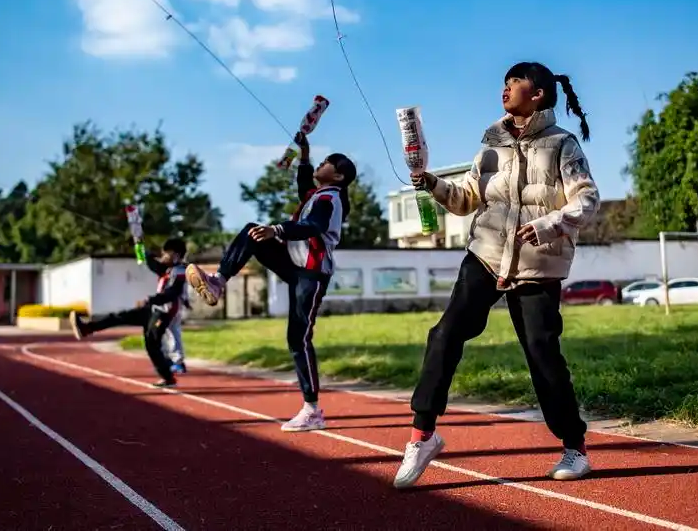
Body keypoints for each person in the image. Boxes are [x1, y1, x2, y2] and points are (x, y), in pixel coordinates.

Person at [393, 61, 600, 489]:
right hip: (485, 256)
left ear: (537, 94)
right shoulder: (490, 141)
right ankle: (422, 436)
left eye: (514, 82)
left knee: (542, 354)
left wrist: (549, 225)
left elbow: (587, 200)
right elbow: (466, 199)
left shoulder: (562, 143)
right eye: (504, 82)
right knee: (444, 335)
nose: (505, 89)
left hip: (537, 264)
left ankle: (575, 448)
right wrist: (431, 183)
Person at [186, 132, 355, 432]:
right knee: (252, 231)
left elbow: (312, 226)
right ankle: (218, 281)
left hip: (311, 274)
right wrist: (304, 157)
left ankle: (312, 410)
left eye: (327, 162)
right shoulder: (317, 195)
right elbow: (303, 187)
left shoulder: (330, 198)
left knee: (298, 339)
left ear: (339, 176)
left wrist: (276, 230)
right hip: (294, 265)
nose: (322, 163)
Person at [69, 237, 189, 388]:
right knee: (120, 317)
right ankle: (87, 328)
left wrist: (152, 299)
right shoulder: (167, 269)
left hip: (164, 313)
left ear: (176, 255)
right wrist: (140, 246)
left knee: (152, 344)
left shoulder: (181, 271)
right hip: (153, 309)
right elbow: (152, 264)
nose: (163, 256)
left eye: (167, 253)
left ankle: (169, 376)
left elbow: (172, 293)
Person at [163, 288, 190, 374]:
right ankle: (170, 358)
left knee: (173, 330)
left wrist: (185, 299)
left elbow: (180, 284)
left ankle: (178, 361)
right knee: (166, 331)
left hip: (172, 302)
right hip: (167, 301)